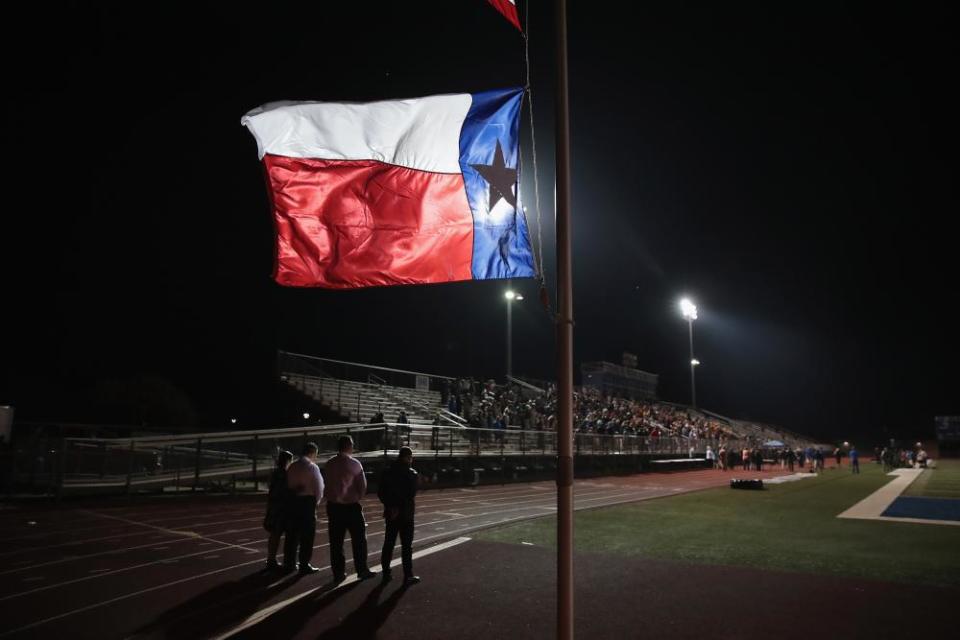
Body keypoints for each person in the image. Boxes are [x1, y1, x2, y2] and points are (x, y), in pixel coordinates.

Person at [325, 435, 376, 584]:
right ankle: (362, 570)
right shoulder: (355, 464)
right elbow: (362, 487)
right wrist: (356, 497)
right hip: (351, 506)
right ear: (349, 446)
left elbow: (325, 484)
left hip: (334, 507)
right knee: (359, 540)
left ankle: (338, 573)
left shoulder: (329, 464)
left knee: (336, 542)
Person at [378, 446, 421, 586]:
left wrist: (391, 506)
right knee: (406, 546)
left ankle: (386, 573)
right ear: (408, 458)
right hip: (406, 514)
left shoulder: (387, 472)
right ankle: (408, 575)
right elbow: (411, 494)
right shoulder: (412, 474)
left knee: (388, 543)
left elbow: (381, 493)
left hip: (392, 512)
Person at [283, 443, 324, 575]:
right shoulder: (313, 467)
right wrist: (316, 502)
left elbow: (288, 485)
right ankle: (304, 564)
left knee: (292, 534)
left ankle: (289, 563)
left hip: (293, 502)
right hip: (307, 503)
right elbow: (319, 488)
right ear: (312, 453)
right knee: (307, 536)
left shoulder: (292, 466)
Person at [264, 450, 294, 570]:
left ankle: (271, 558)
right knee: (279, 534)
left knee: (274, 535)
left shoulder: (274, 473)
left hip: (273, 507)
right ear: (288, 461)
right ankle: (274, 560)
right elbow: (285, 491)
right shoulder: (284, 474)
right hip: (281, 508)